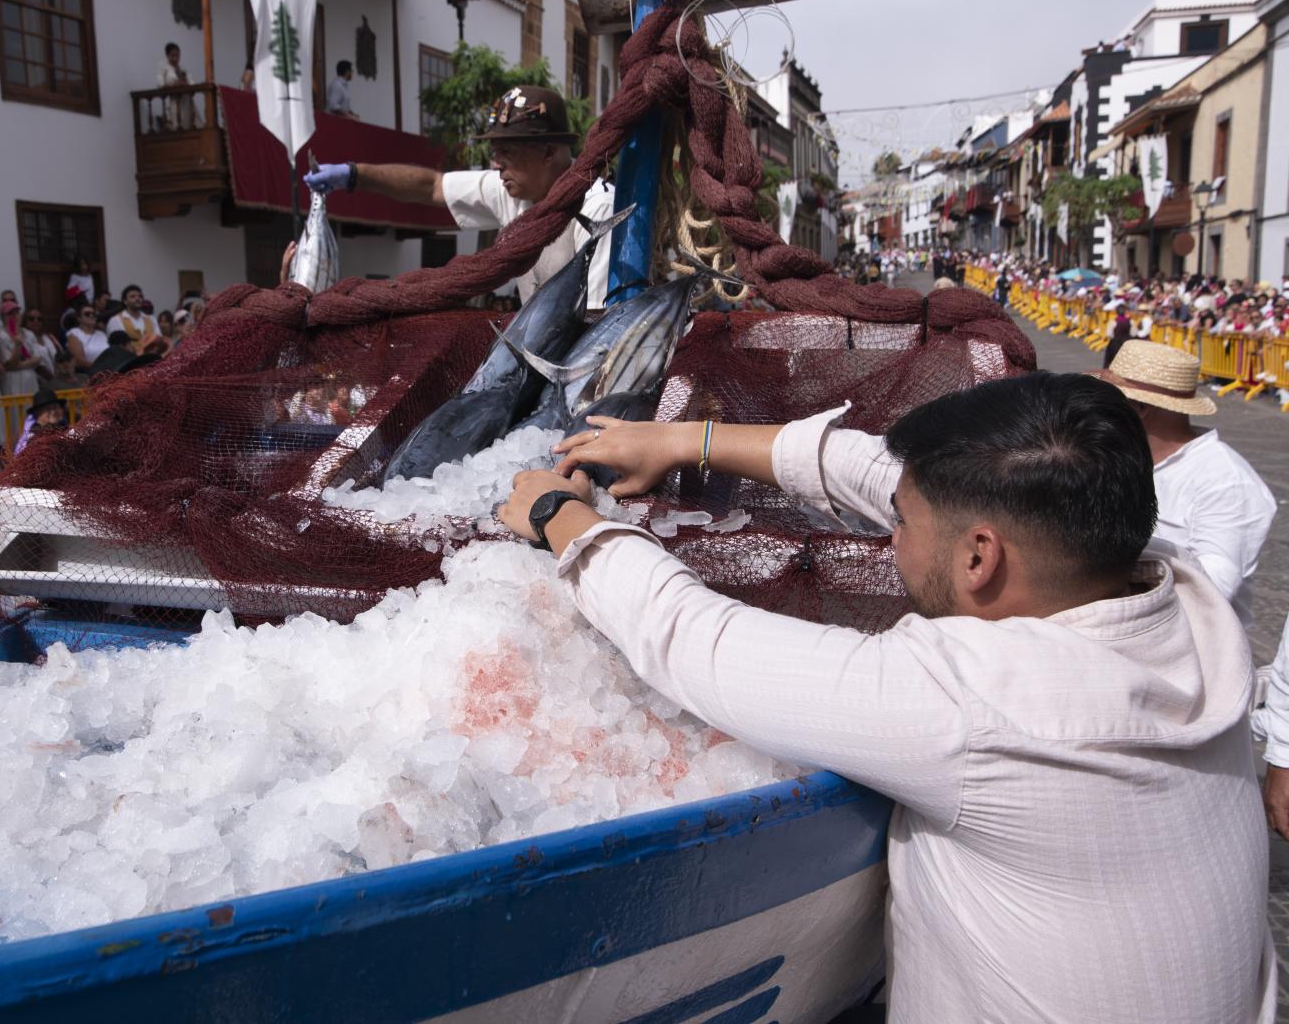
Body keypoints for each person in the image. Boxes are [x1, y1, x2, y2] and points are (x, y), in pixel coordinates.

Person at [498, 371, 1273, 1021]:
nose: (889, 535)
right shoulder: (1188, 596)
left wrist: (556, 516)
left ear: (979, 555)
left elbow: (695, 640)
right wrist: (681, 440)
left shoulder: (980, 705)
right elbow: (877, 470)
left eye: (901, 523)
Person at [304, 85, 614, 309]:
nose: (496, 164)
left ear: (548, 152)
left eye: (506, 152)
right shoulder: (512, 189)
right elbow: (433, 186)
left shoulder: (598, 207)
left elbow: (601, 324)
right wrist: (354, 175)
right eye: (495, 153)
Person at [1097, 341, 1274, 626]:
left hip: (1190, 652)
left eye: (1109, 403)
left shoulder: (1225, 480)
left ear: (1140, 408)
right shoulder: (1120, 457)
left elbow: (1213, 588)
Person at [107, 285, 166, 355]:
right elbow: (117, 347)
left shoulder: (151, 319)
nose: (137, 299)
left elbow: (159, 339)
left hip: (151, 360)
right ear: (125, 301)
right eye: (133, 296)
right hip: (129, 361)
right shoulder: (115, 320)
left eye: (140, 296)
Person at [13, 388, 68, 455]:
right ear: (38, 414)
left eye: (55, 407)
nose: (53, 412)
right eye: (48, 409)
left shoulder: (65, 428)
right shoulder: (33, 437)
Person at [158, 41, 192, 130]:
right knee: (177, 124)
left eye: (177, 55)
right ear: (167, 55)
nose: (175, 58)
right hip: (174, 100)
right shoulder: (164, 68)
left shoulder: (182, 68)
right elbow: (160, 84)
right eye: (173, 56)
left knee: (188, 122)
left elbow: (191, 82)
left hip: (186, 99)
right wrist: (174, 85)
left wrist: (185, 83)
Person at [66, 306, 110, 373]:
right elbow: (79, 360)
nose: (91, 315)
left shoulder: (102, 334)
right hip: (89, 373)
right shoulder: (74, 333)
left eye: (94, 314)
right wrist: (100, 368)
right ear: (79, 318)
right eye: (87, 314)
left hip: (109, 371)